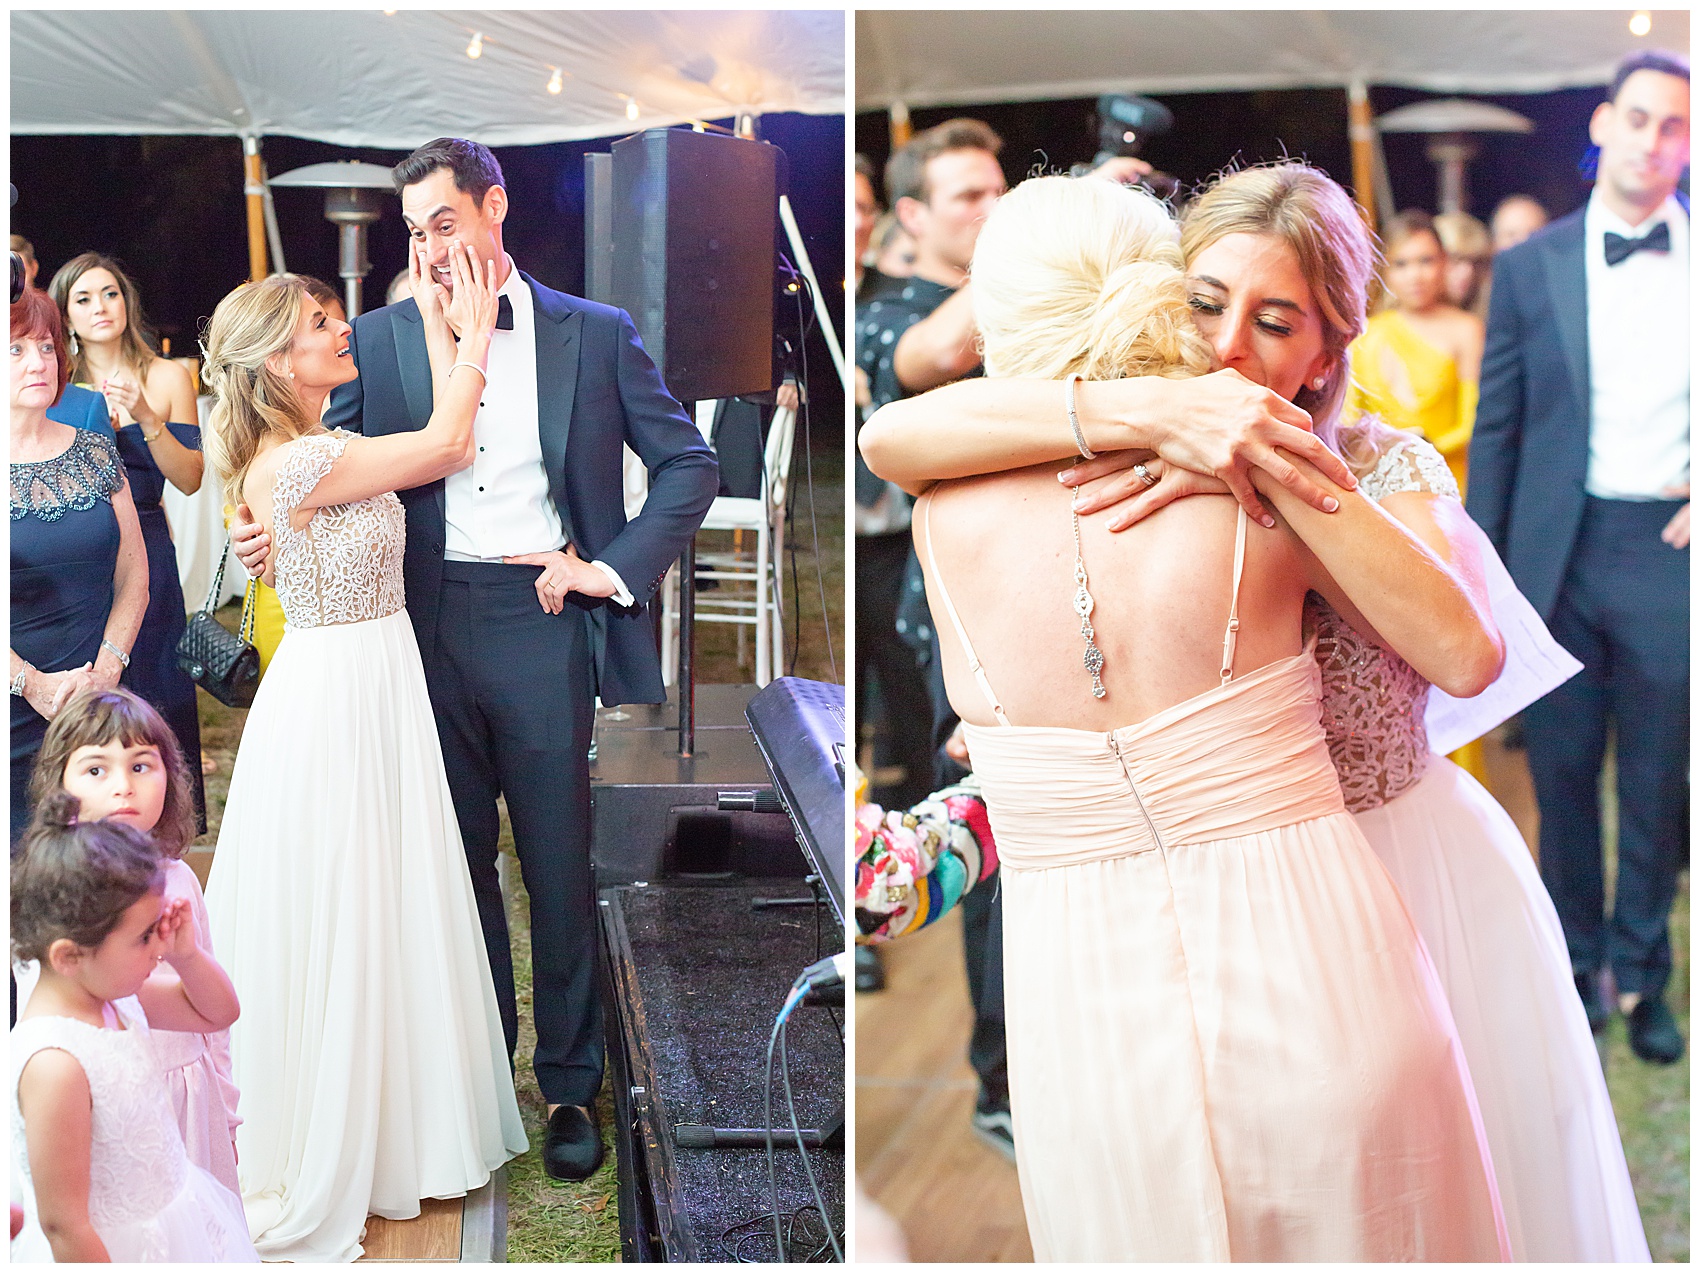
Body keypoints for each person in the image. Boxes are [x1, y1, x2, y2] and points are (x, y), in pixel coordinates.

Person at [862, 160, 1650, 1262]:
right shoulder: (1123, 441)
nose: (1229, 344)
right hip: (1219, 880)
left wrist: (1273, 462)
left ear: (1330, 347)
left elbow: (1465, 651)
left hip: (1403, 872)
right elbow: (891, 439)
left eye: (1274, 320)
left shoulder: (1373, 463)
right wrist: (1148, 410)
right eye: (1203, 302)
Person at [232, 137, 720, 1185]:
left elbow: (688, 461)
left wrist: (607, 567)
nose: (429, 247)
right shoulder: (377, 338)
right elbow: (318, 469)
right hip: (417, 626)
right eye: (413, 231)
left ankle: (571, 1084)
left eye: (444, 222)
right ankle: (476, 1075)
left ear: (493, 207)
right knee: (450, 866)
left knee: (555, 858)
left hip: (540, 614)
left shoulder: (593, 333)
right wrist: (265, 535)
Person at [202, 257, 527, 1261]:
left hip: (373, 679)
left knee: (384, 896)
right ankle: (342, 1135)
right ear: (272, 359)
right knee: (348, 896)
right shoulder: (296, 465)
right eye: (318, 323)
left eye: (336, 314)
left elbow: (436, 427)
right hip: (337, 695)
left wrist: (432, 314)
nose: (339, 330)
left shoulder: (316, 446)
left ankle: (395, 1121)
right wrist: (475, 333)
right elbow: (447, 440)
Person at [1469, 49, 1690, 1066]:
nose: (1654, 141)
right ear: (1600, 125)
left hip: (1667, 549)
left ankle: (1645, 974)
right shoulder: (1527, 266)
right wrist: (1477, 581)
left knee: (1656, 781)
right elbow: (1498, 426)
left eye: (1674, 125)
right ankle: (1575, 961)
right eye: (1637, 118)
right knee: (1560, 778)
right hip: (1552, 556)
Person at [11, 790, 255, 1262]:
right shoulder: (54, 1066)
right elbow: (64, 1224)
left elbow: (218, 1012)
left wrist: (186, 954)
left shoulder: (116, 996)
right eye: (144, 937)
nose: (156, 950)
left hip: (175, 1220)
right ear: (68, 956)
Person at [15, 687, 242, 1193]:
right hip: (99, 1103)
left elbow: (216, 1023)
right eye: (97, 770)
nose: (123, 787)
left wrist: (223, 1104)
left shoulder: (179, 879)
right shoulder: (48, 895)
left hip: (185, 1093)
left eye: (141, 766)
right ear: (60, 784)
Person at [50, 253, 206, 828]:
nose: (100, 308)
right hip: (77, 556)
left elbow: (190, 478)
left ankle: (165, 832)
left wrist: (146, 418)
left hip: (150, 547)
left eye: (109, 293)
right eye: (84, 298)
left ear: (127, 301)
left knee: (156, 688)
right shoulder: (54, 385)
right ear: (65, 313)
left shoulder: (167, 376)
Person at [10, 287, 147, 845]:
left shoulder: (94, 449)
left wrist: (108, 671)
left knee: (103, 875)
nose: (39, 362)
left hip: (99, 702)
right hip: (13, 708)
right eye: (15, 350)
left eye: (45, 347)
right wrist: (32, 684)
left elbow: (134, 576)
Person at [1342, 209, 1483, 492]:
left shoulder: (1467, 329)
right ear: (1384, 270)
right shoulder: (1365, 335)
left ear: (1444, 263)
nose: (1415, 275)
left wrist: (1422, 448)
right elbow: (1348, 421)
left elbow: (1475, 418)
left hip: (1448, 480)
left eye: (1425, 261)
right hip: (1377, 480)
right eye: (1401, 264)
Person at [1435, 209, 1493, 318]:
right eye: (1456, 260)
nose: (1468, 272)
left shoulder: (1488, 319)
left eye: (1476, 262)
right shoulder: (1398, 321)